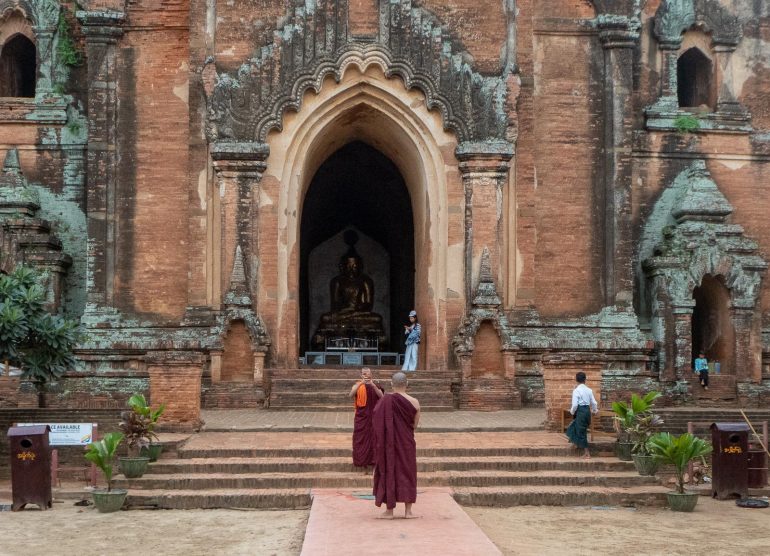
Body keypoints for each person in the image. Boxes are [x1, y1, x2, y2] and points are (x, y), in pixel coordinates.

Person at [372, 371, 421, 518]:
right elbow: (414, 426)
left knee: (389, 469)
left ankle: (389, 511)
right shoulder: (415, 402)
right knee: (408, 472)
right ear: (407, 384)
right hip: (407, 442)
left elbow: (376, 419)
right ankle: (408, 512)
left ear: (392, 384)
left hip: (390, 444)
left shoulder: (386, 400)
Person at [349, 367, 384, 468]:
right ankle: (361, 460)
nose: (366, 375)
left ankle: (373, 460)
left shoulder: (376, 384)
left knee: (374, 438)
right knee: (360, 438)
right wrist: (361, 383)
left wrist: (372, 385)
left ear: (371, 374)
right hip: (362, 417)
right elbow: (350, 394)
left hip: (374, 416)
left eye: (368, 373)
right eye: (364, 374)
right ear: (361, 375)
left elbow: (382, 396)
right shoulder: (358, 385)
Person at [566, 371, 599, 459]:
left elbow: (575, 405)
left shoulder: (576, 391)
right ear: (585, 380)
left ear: (576, 380)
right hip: (587, 411)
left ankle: (587, 453)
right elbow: (594, 403)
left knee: (581, 431)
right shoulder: (589, 390)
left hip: (580, 411)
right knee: (573, 427)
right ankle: (575, 443)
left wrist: (572, 412)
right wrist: (594, 411)